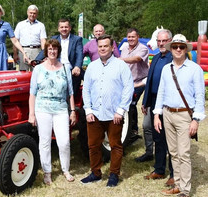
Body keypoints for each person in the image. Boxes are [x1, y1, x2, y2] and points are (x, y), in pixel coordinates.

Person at [154, 34, 206, 197]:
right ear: (171, 49)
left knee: (183, 153)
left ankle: (185, 189)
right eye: (175, 46)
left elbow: (199, 96)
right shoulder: (166, 69)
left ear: (185, 49)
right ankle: (177, 184)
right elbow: (161, 92)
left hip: (185, 115)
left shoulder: (194, 69)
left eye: (181, 47)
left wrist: (196, 120)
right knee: (174, 152)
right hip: (168, 114)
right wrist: (157, 114)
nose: (178, 49)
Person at [81, 35, 133, 187]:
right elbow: (87, 90)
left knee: (115, 145)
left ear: (112, 47)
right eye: (100, 46)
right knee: (93, 145)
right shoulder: (92, 66)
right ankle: (96, 173)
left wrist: (121, 110)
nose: (103, 48)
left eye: (106, 46)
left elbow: (128, 89)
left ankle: (114, 175)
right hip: (95, 113)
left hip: (114, 114)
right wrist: (88, 110)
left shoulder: (121, 66)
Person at [28, 39, 76, 185]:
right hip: (42, 109)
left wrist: (72, 110)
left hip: (61, 108)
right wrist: (31, 114)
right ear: (46, 51)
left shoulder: (65, 68)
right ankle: (47, 172)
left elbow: (71, 92)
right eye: (50, 49)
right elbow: (32, 93)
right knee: (45, 141)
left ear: (58, 51)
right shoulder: (38, 69)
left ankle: (65, 169)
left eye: (55, 49)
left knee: (64, 142)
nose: (52, 51)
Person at [141, 29, 174, 187]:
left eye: (164, 41)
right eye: (159, 41)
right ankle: (159, 169)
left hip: (168, 104)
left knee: (171, 140)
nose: (161, 44)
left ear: (170, 40)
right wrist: (146, 102)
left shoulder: (174, 58)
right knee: (158, 137)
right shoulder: (155, 58)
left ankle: (174, 174)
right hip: (154, 103)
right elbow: (150, 81)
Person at [35, 18, 83, 98]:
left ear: (70, 28)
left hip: (71, 70)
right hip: (57, 69)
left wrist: (77, 66)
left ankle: (72, 106)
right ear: (58, 29)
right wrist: (36, 61)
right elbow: (46, 50)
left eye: (66, 27)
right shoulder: (54, 39)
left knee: (72, 91)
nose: (64, 29)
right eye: (62, 27)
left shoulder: (77, 39)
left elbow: (79, 54)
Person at [0, 3, 29, 71]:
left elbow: (15, 41)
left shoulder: (6, 25)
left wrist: (23, 52)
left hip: (1, 51)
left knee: (0, 72)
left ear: (1, 12)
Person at [120, 28, 149, 137]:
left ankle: (133, 129)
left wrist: (122, 60)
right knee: (127, 104)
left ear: (138, 37)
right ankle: (128, 127)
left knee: (131, 102)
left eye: (133, 37)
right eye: (129, 37)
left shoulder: (143, 48)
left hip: (139, 81)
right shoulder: (124, 48)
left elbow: (137, 59)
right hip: (126, 81)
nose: (131, 39)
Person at [14, 5, 47, 71]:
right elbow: (15, 40)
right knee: (23, 73)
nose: (32, 15)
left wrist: (44, 54)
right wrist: (15, 54)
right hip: (23, 51)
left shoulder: (41, 25)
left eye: (34, 13)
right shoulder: (20, 24)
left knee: (36, 72)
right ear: (27, 12)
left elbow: (43, 40)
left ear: (37, 14)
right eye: (31, 13)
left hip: (37, 51)